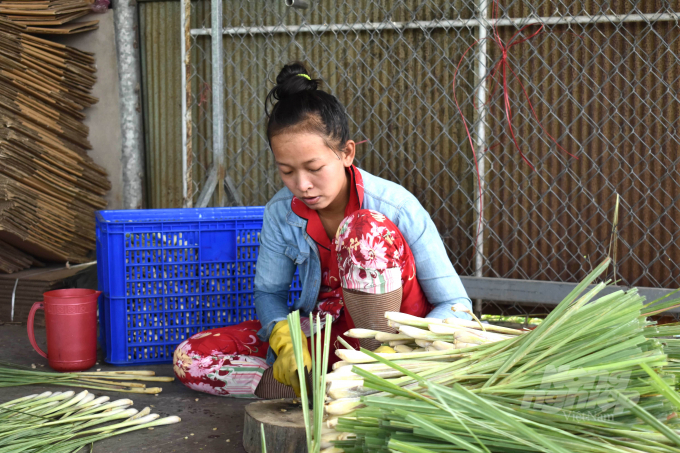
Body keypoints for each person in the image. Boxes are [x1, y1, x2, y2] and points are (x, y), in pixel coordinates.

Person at [173, 62, 471, 398]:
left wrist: (411, 346)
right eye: (286, 171)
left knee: (363, 230)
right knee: (192, 359)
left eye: (314, 168)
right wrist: (284, 339)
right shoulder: (280, 212)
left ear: (346, 153)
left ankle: (380, 372)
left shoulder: (395, 206)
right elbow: (269, 293)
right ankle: (331, 387)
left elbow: (456, 304)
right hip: (329, 329)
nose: (302, 185)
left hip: (397, 340)